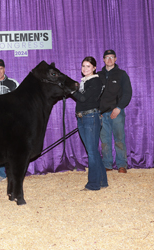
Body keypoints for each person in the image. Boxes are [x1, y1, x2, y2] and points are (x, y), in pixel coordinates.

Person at [73, 57, 108, 191]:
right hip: (82, 117)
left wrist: (71, 90)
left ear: (94, 68)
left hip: (90, 117)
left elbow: (83, 97)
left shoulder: (95, 81)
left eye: (88, 66)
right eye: (83, 66)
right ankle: (102, 181)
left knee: (92, 152)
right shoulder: (85, 81)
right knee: (92, 150)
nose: (85, 68)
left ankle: (93, 184)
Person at [98, 50, 132, 173]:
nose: (109, 59)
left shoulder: (122, 74)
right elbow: (94, 95)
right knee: (105, 141)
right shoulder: (98, 75)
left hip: (116, 112)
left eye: (112, 57)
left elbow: (127, 93)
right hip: (102, 113)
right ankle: (107, 165)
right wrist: (98, 110)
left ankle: (122, 165)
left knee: (119, 139)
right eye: (107, 57)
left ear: (116, 59)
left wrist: (119, 108)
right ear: (103, 59)